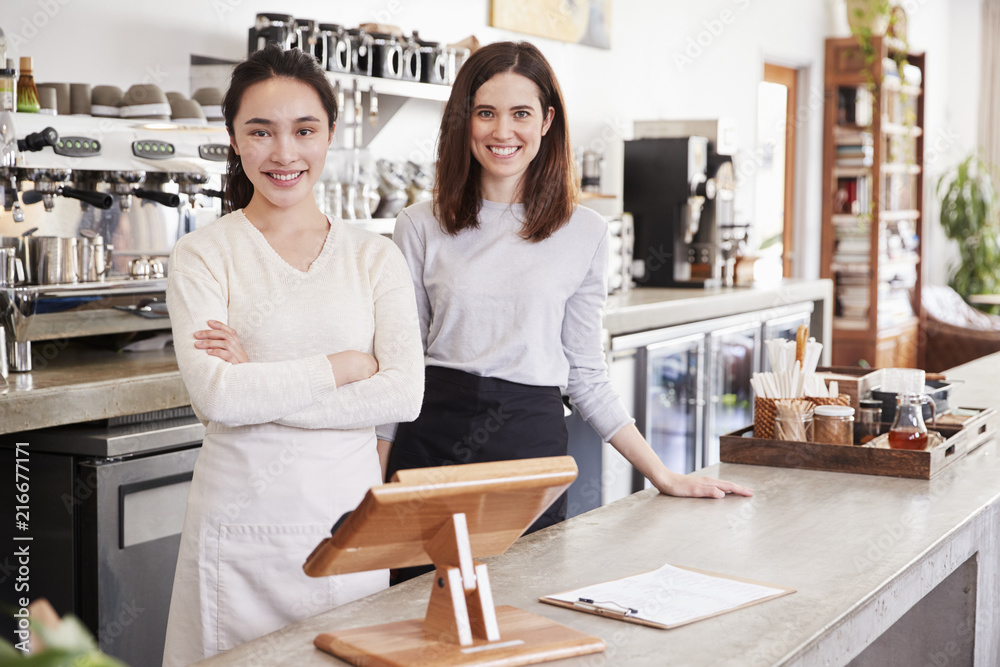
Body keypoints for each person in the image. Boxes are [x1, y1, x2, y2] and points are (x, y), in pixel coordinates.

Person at [378, 41, 751, 534]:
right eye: (486, 112)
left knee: (522, 600)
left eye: (521, 113)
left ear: (547, 121)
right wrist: (370, 484)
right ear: (463, 119)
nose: (502, 131)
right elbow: (400, 370)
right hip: (432, 441)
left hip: (530, 447)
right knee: (417, 601)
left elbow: (585, 373)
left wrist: (662, 474)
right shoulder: (418, 225)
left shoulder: (585, 232)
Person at [161, 44, 424, 666]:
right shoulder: (204, 256)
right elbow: (218, 397)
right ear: (233, 138)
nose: (284, 153)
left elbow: (403, 394)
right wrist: (343, 367)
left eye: (304, 130)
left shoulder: (374, 257)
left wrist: (261, 383)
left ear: (330, 134)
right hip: (240, 533)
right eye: (261, 131)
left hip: (347, 526)